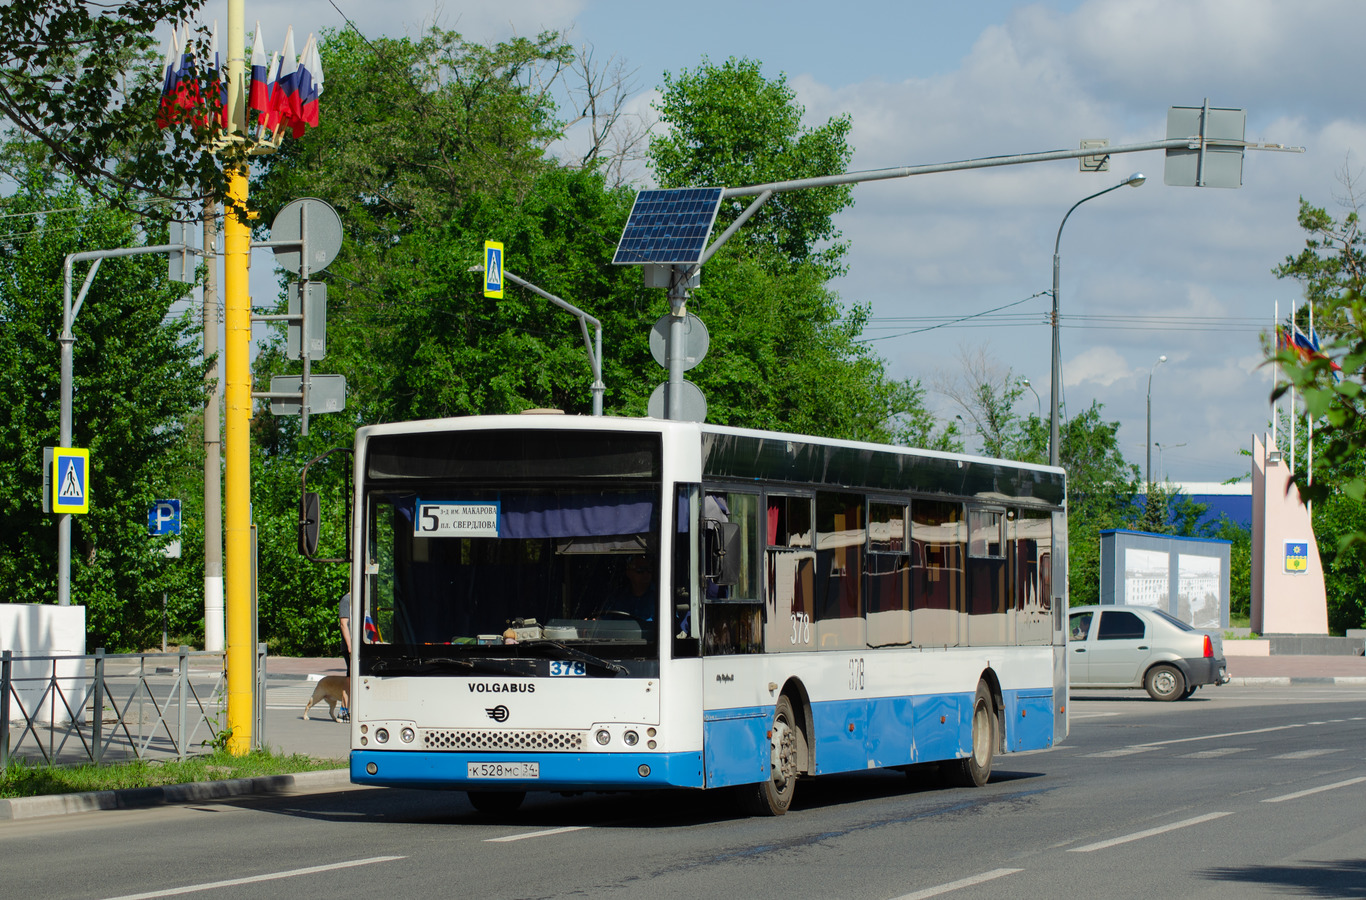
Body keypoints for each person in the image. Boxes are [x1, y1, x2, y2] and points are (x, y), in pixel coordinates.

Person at [605, 556, 657, 621]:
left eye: (649, 569)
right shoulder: (616, 597)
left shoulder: (661, 596)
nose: (645, 573)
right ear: (629, 573)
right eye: (640, 570)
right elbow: (603, 620)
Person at [338, 591, 352, 721]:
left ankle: (347, 709)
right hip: (350, 647)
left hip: (358, 645)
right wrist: (350, 646)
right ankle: (343, 709)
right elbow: (344, 624)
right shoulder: (346, 600)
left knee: (352, 677)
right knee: (350, 678)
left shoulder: (359, 600)